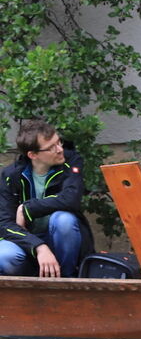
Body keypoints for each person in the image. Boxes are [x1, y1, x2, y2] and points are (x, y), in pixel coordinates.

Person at [0, 119, 93, 278]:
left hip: (62, 242)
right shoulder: (10, 176)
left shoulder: (71, 162)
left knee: (63, 220)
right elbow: (4, 224)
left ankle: (67, 280)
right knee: (4, 255)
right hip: (29, 244)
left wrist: (27, 208)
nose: (59, 149)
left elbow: (71, 199)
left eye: (59, 142)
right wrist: (38, 246)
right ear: (33, 155)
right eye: (51, 147)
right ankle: (31, 284)